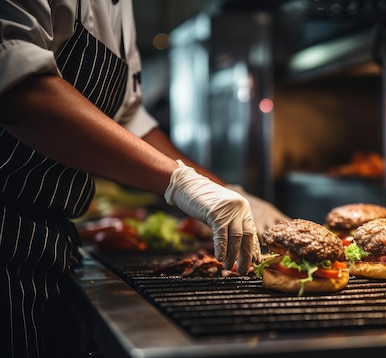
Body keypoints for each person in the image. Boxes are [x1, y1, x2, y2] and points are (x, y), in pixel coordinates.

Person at [0, 1, 288, 357]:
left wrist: (221, 190)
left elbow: (129, 121)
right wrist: (178, 182)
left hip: (50, 242)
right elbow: (18, 89)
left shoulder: (122, 9)